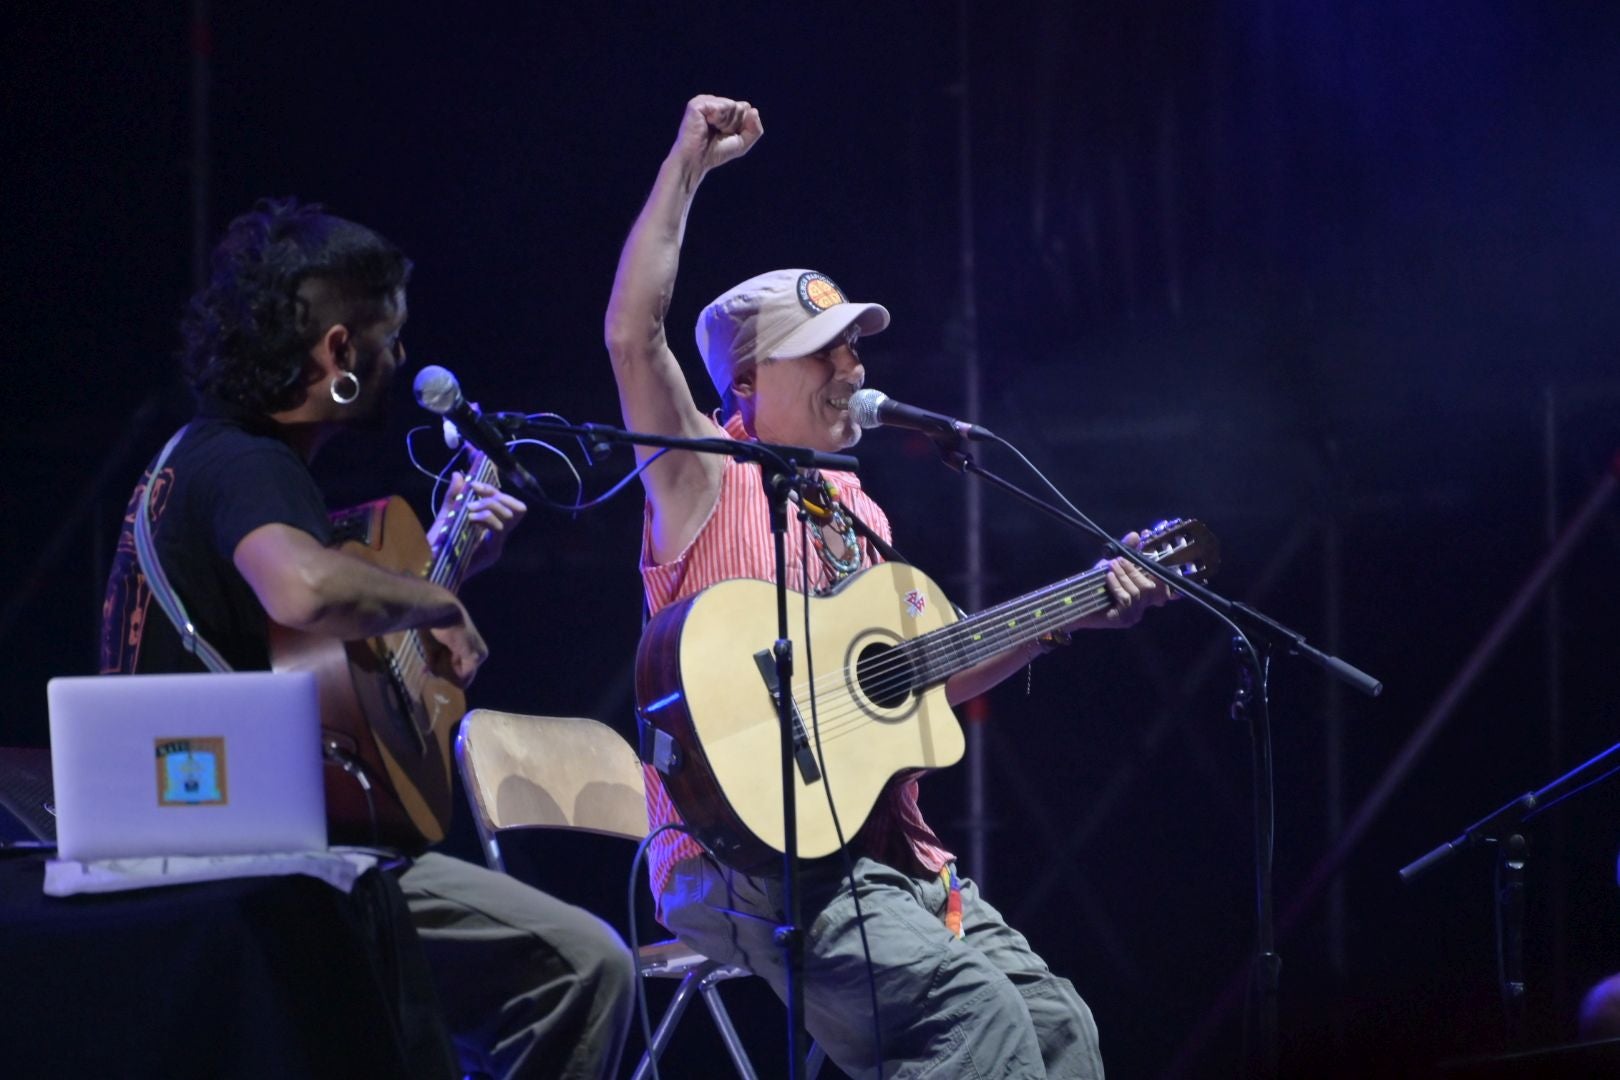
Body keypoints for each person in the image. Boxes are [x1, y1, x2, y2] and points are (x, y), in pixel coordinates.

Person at [603, 95, 1170, 1079]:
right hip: (744, 857)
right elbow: (631, 336)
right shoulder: (698, 474)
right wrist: (688, 164)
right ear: (746, 382)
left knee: (1061, 1027)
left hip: (880, 854)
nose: (852, 366)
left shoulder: (859, 513)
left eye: (856, 346)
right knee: (973, 1020)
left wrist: (1075, 610)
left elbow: (921, 685)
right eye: (824, 351)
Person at [100, 197, 634, 1080]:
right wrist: (437, 602)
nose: (403, 358)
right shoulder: (246, 465)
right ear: (340, 354)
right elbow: (303, 589)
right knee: (584, 966)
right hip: (258, 875)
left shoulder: (204, 458)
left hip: (224, 863)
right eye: (391, 337)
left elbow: (317, 670)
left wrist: (447, 573)